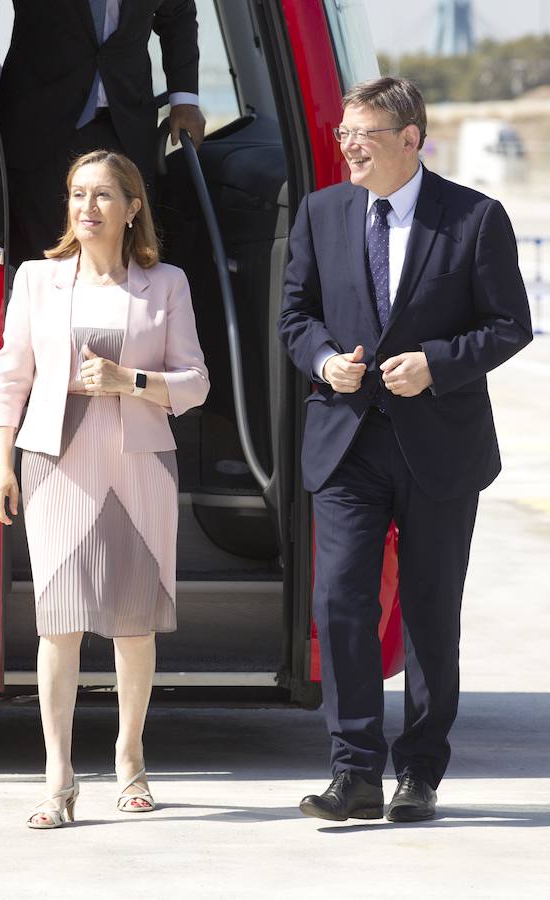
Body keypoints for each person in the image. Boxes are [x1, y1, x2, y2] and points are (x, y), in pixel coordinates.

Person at [278, 77, 532, 823]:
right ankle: (352, 770)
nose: (348, 147)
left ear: (410, 139)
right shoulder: (321, 212)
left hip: (439, 446)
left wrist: (436, 364)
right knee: (342, 603)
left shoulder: (474, 218)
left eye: (364, 135)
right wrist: (324, 359)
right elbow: (294, 315)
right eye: (343, 135)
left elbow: (508, 324)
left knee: (427, 612)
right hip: (346, 440)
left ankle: (418, 772)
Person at [0, 149, 209, 827]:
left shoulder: (165, 283)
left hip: (140, 464)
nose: (87, 207)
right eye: (78, 193)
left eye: (103, 195)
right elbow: (9, 379)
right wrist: (0, 468)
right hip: (54, 465)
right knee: (60, 625)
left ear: (131, 207)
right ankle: (58, 778)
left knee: (134, 625)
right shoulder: (36, 279)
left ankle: (130, 760)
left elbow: (194, 383)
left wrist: (129, 383)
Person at [0, 0, 205, 266]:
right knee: (44, 259)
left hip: (125, 127)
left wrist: (184, 100)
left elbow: (178, 11)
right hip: (40, 126)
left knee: (124, 258)